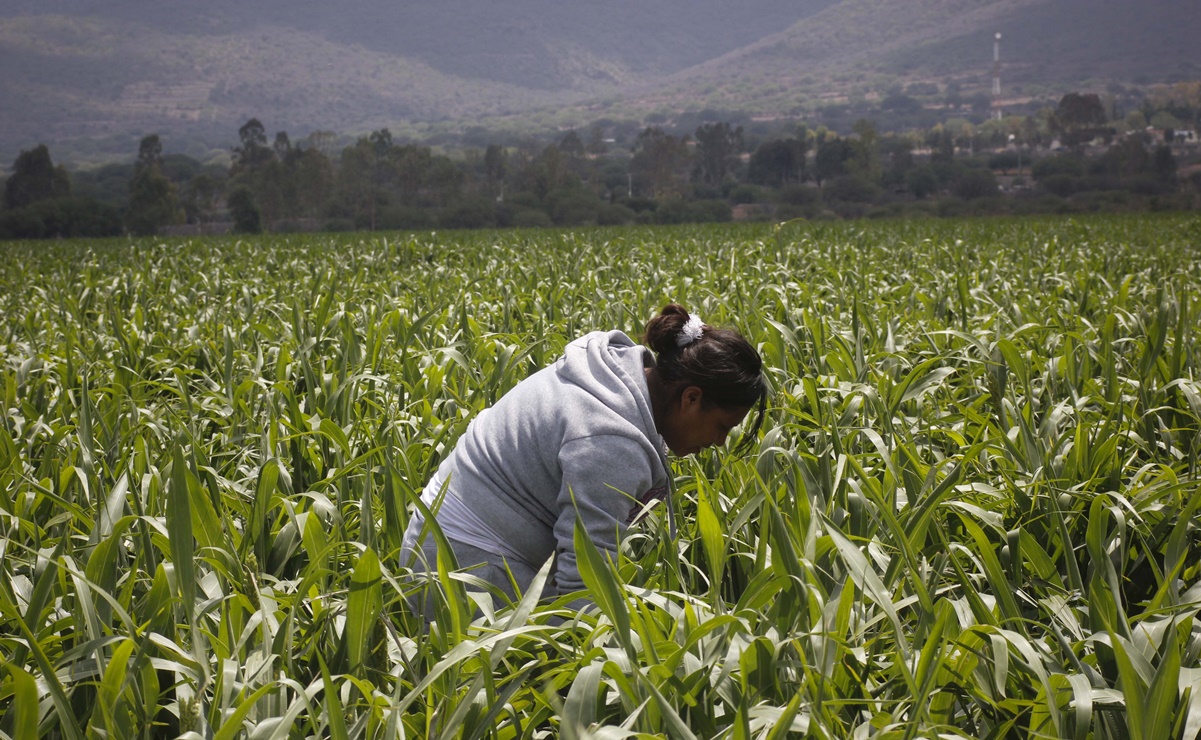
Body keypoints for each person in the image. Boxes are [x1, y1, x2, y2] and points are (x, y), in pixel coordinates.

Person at [400, 303, 767, 615]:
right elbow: (585, 583)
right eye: (722, 426)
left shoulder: (614, 376)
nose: (720, 442)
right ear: (691, 398)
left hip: (442, 540)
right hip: (459, 567)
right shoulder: (609, 440)